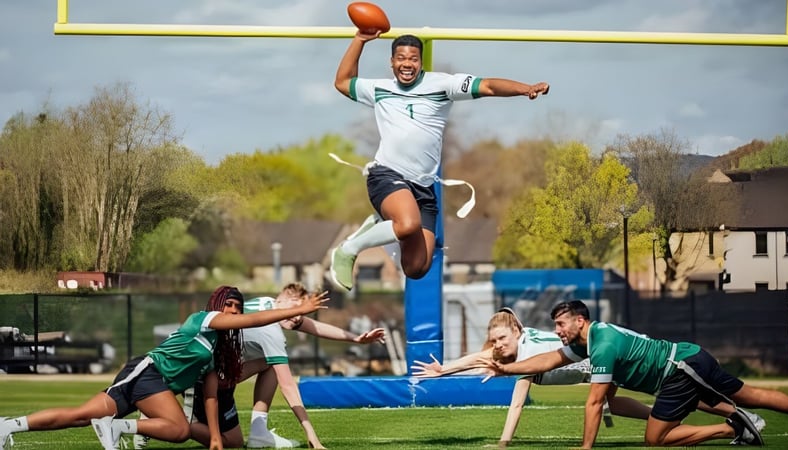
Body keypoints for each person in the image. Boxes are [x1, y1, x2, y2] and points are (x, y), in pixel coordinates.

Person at [329, 32, 550, 291]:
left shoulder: (443, 85)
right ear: (392, 62)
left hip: (422, 186)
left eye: (413, 59)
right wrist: (361, 40)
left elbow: (488, 86)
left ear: (421, 63)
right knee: (408, 223)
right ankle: (348, 249)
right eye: (401, 58)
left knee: (416, 267)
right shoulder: (379, 89)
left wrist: (526, 89)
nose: (407, 64)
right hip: (387, 175)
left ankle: (380, 225)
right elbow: (343, 82)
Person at [0, 286, 327, 450]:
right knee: (175, 429)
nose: (234, 311)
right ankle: (116, 428)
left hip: (154, 384)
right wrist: (292, 312)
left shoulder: (217, 347)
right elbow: (253, 319)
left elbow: (210, 392)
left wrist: (215, 437)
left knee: (85, 416)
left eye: (237, 307)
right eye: (229, 305)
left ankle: (6, 426)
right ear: (217, 306)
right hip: (146, 372)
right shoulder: (205, 319)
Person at [411, 307, 761, 448]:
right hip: (592, 370)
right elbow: (475, 358)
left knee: (616, 403)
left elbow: (516, 407)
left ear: (518, 331)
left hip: (601, 362)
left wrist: (504, 442)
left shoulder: (531, 353)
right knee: (622, 403)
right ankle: (736, 417)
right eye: (496, 340)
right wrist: (443, 369)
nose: (498, 344)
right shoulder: (505, 356)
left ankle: (737, 417)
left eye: (504, 337)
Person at [480, 300, 788, 448]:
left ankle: (734, 428)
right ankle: (740, 425)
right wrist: (507, 368)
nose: (557, 331)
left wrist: (585, 448)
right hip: (684, 365)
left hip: (680, 370)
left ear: (580, 321)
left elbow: (595, 403)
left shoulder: (602, 345)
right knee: (749, 396)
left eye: (561, 325)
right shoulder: (587, 340)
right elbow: (547, 361)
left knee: (655, 439)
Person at [186, 283, 385, 449]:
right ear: (281, 301)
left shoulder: (269, 304)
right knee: (192, 432)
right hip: (202, 378)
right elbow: (288, 386)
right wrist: (312, 436)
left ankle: (259, 432)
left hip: (215, 372)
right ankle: (176, 423)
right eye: (296, 308)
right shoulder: (272, 330)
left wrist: (356, 339)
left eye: (302, 310)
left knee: (235, 441)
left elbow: (315, 327)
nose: (298, 316)